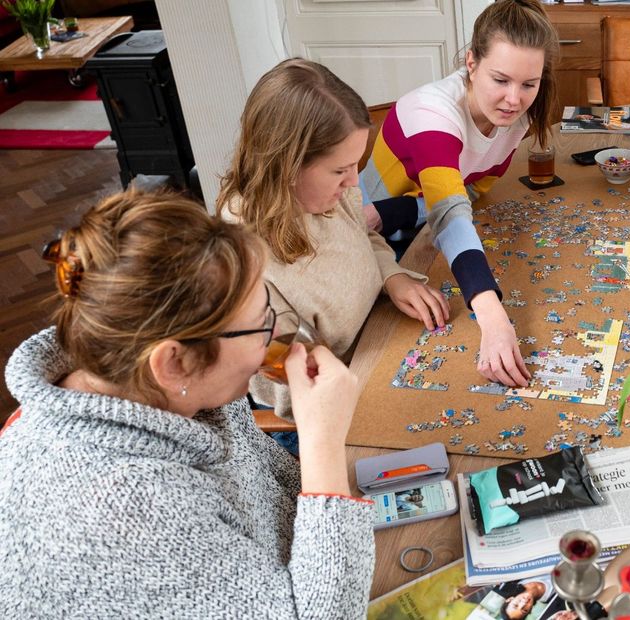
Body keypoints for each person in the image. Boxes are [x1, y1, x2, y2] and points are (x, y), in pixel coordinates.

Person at [0, 190, 375, 616]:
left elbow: (266, 482)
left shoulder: (176, 384)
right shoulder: (128, 507)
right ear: (173, 362)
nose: (275, 338)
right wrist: (322, 443)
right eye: (258, 325)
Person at [218, 58, 449, 420]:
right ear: (287, 164)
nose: (354, 182)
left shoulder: (330, 192)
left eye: (356, 164)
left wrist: (394, 276)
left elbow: (364, 234)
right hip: (329, 407)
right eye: (340, 170)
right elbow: (293, 372)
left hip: (383, 342)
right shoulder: (241, 257)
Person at [360, 0, 561, 388]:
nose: (514, 100)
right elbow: (451, 213)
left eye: (529, 84)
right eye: (500, 80)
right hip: (376, 248)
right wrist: (493, 315)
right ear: (471, 62)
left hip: (425, 238)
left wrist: (401, 209)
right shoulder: (433, 114)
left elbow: (468, 194)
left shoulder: (519, 118)